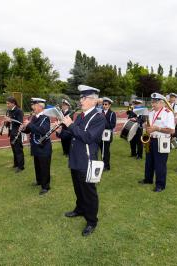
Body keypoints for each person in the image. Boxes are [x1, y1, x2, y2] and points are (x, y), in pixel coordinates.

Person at [57, 85, 105, 236]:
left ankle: (91, 220)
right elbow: (72, 135)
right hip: (75, 158)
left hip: (87, 161)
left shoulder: (99, 118)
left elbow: (88, 137)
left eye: (84, 98)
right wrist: (60, 131)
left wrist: (70, 125)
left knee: (89, 192)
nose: (81, 100)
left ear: (93, 101)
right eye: (81, 98)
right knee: (78, 188)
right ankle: (80, 209)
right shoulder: (80, 116)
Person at [138, 93, 175, 192]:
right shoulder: (151, 112)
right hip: (151, 139)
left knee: (160, 164)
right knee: (149, 162)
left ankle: (160, 185)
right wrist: (146, 125)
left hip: (162, 140)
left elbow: (172, 131)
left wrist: (157, 128)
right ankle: (148, 179)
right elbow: (149, 124)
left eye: (155, 103)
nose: (152, 105)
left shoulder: (168, 113)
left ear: (161, 103)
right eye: (152, 102)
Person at [21, 98, 52, 195]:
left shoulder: (45, 118)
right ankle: (39, 181)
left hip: (44, 147)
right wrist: (23, 128)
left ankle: (45, 186)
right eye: (33, 105)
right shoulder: (34, 117)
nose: (32, 107)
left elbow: (42, 131)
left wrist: (29, 124)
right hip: (36, 145)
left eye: (34, 105)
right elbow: (30, 130)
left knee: (44, 167)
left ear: (40, 106)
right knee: (37, 165)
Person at [3, 96, 24, 172]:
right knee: (14, 149)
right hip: (11, 132)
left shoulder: (19, 111)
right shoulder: (9, 111)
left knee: (18, 150)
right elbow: (8, 122)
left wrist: (10, 120)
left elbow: (20, 122)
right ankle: (16, 164)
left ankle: (21, 166)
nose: (7, 105)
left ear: (13, 103)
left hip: (17, 133)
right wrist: (5, 122)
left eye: (8, 103)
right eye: (6, 103)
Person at [99, 97, 116, 171]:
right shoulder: (100, 112)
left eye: (106, 104)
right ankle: (102, 164)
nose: (104, 106)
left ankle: (106, 166)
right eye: (103, 104)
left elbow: (112, 125)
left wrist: (104, 119)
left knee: (105, 150)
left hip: (107, 134)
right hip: (99, 134)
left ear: (109, 105)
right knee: (101, 150)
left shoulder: (112, 113)